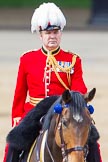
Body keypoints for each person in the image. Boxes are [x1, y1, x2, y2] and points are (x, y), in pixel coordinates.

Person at [3, 2, 102, 162]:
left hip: (64, 110)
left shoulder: (72, 60)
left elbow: (78, 88)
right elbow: (20, 93)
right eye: (47, 33)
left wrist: (77, 104)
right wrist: (17, 117)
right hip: (35, 111)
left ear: (60, 33)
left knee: (92, 140)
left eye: (55, 32)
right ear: (40, 35)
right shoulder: (27, 59)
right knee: (13, 142)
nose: (52, 36)